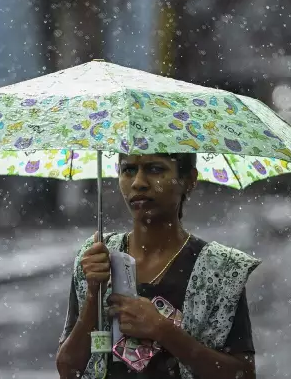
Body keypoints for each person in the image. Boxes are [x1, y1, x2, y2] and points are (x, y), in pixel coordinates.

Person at [56, 153, 259, 379]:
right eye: (128, 170)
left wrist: (162, 330)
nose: (138, 183)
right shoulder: (97, 257)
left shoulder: (220, 269)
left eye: (155, 169)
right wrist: (94, 293)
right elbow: (68, 369)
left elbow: (243, 375)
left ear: (189, 180)